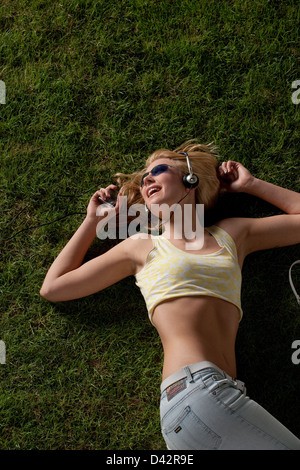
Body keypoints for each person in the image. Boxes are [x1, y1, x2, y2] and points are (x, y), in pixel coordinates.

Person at [40, 140, 300, 450]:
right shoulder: (142, 246)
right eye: (145, 176)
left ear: (191, 179)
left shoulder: (233, 234)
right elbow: (53, 287)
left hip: (215, 398)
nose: (148, 179)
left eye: (158, 170)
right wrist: (93, 221)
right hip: (197, 392)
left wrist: (252, 185)